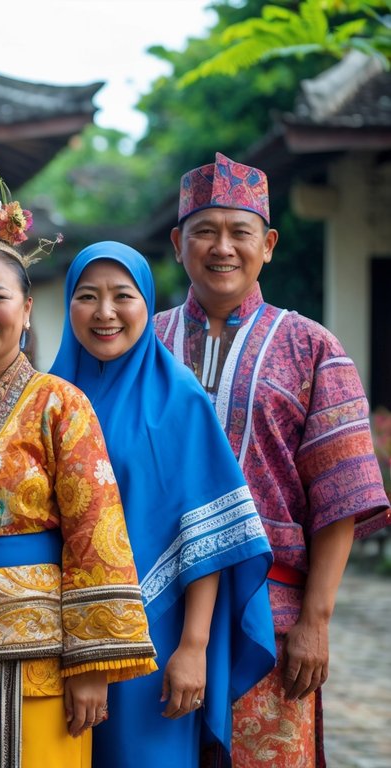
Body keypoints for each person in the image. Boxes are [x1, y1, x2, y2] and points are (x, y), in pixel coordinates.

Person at [155, 153, 390, 767]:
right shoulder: (144, 344)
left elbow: (340, 495)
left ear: (269, 245)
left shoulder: (313, 348)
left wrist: (316, 620)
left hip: (272, 617)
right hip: (155, 613)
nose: (222, 247)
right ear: (178, 244)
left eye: (240, 231)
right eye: (205, 231)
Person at [0, 198, 158, 768]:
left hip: (36, 655)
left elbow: (96, 532)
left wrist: (91, 664)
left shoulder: (61, 404)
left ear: (25, 310)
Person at [51, 241, 276, 767]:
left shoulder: (180, 399)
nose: (105, 312)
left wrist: (194, 647)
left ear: (147, 304)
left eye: (122, 296)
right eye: (87, 296)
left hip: (153, 642)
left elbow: (209, 535)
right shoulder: (48, 395)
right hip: (56, 639)